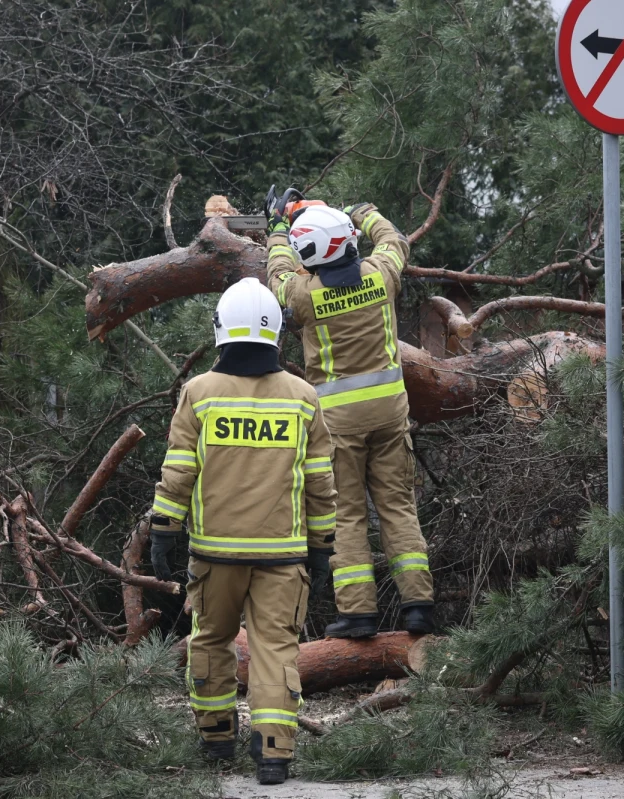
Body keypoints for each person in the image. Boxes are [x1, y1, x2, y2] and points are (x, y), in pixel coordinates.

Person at [148, 277, 338, 786]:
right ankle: (274, 755)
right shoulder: (302, 397)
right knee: (277, 649)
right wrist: (322, 548)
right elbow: (321, 484)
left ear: (220, 331)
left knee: (211, 639)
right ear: (274, 332)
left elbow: (179, 470)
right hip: (283, 556)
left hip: (215, 557)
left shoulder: (200, 393)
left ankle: (216, 740)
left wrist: (163, 530)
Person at [266, 199, 435, 639]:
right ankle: (418, 606)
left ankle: (359, 614)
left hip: (338, 423)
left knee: (347, 516)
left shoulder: (304, 295)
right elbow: (394, 240)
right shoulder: (381, 274)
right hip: (390, 414)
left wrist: (278, 225)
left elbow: (278, 274)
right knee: (398, 506)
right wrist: (361, 210)